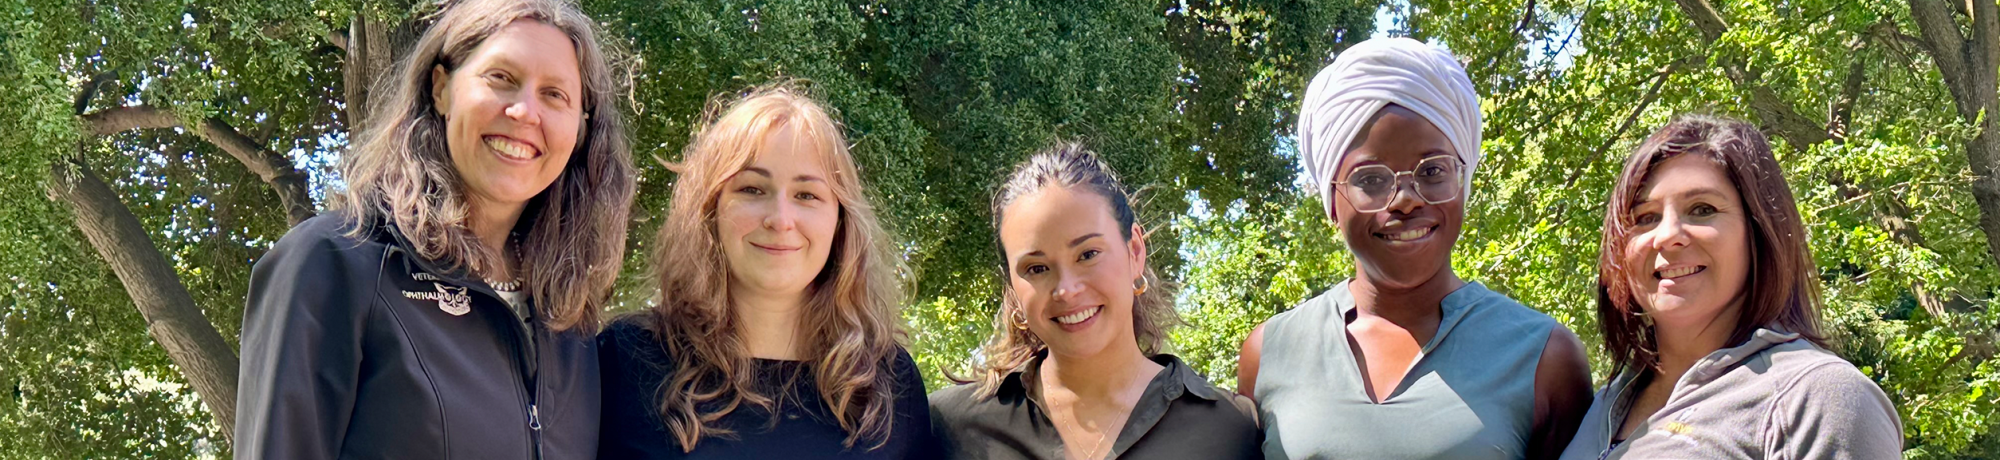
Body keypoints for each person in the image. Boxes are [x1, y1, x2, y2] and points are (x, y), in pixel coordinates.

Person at [235, 0, 636, 458]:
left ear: (581, 129)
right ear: (441, 88)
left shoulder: (568, 317)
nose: (526, 112)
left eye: (555, 95)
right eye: (501, 78)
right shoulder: (334, 261)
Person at [1235, 36, 1593, 459]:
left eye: (1433, 171)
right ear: (1331, 202)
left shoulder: (1545, 358)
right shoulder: (1271, 353)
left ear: (1464, 183)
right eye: (1370, 179)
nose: (1406, 199)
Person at [595, 84, 937, 459]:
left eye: (807, 195)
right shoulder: (625, 359)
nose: (780, 219)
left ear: (840, 221)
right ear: (710, 210)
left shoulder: (889, 383)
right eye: (753, 189)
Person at [1556, 115, 1902, 459]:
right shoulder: (1605, 403)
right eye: (1646, 217)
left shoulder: (1819, 398)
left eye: (1702, 210)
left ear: (1760, 232)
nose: (1668, 236)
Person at [929, 142, 1262, 460]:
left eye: (1087, 254)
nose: (1067, 289)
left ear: (1134, 251)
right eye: (1037, 268)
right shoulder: (946, 430)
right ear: (1013, 287)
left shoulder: (1231, 428)